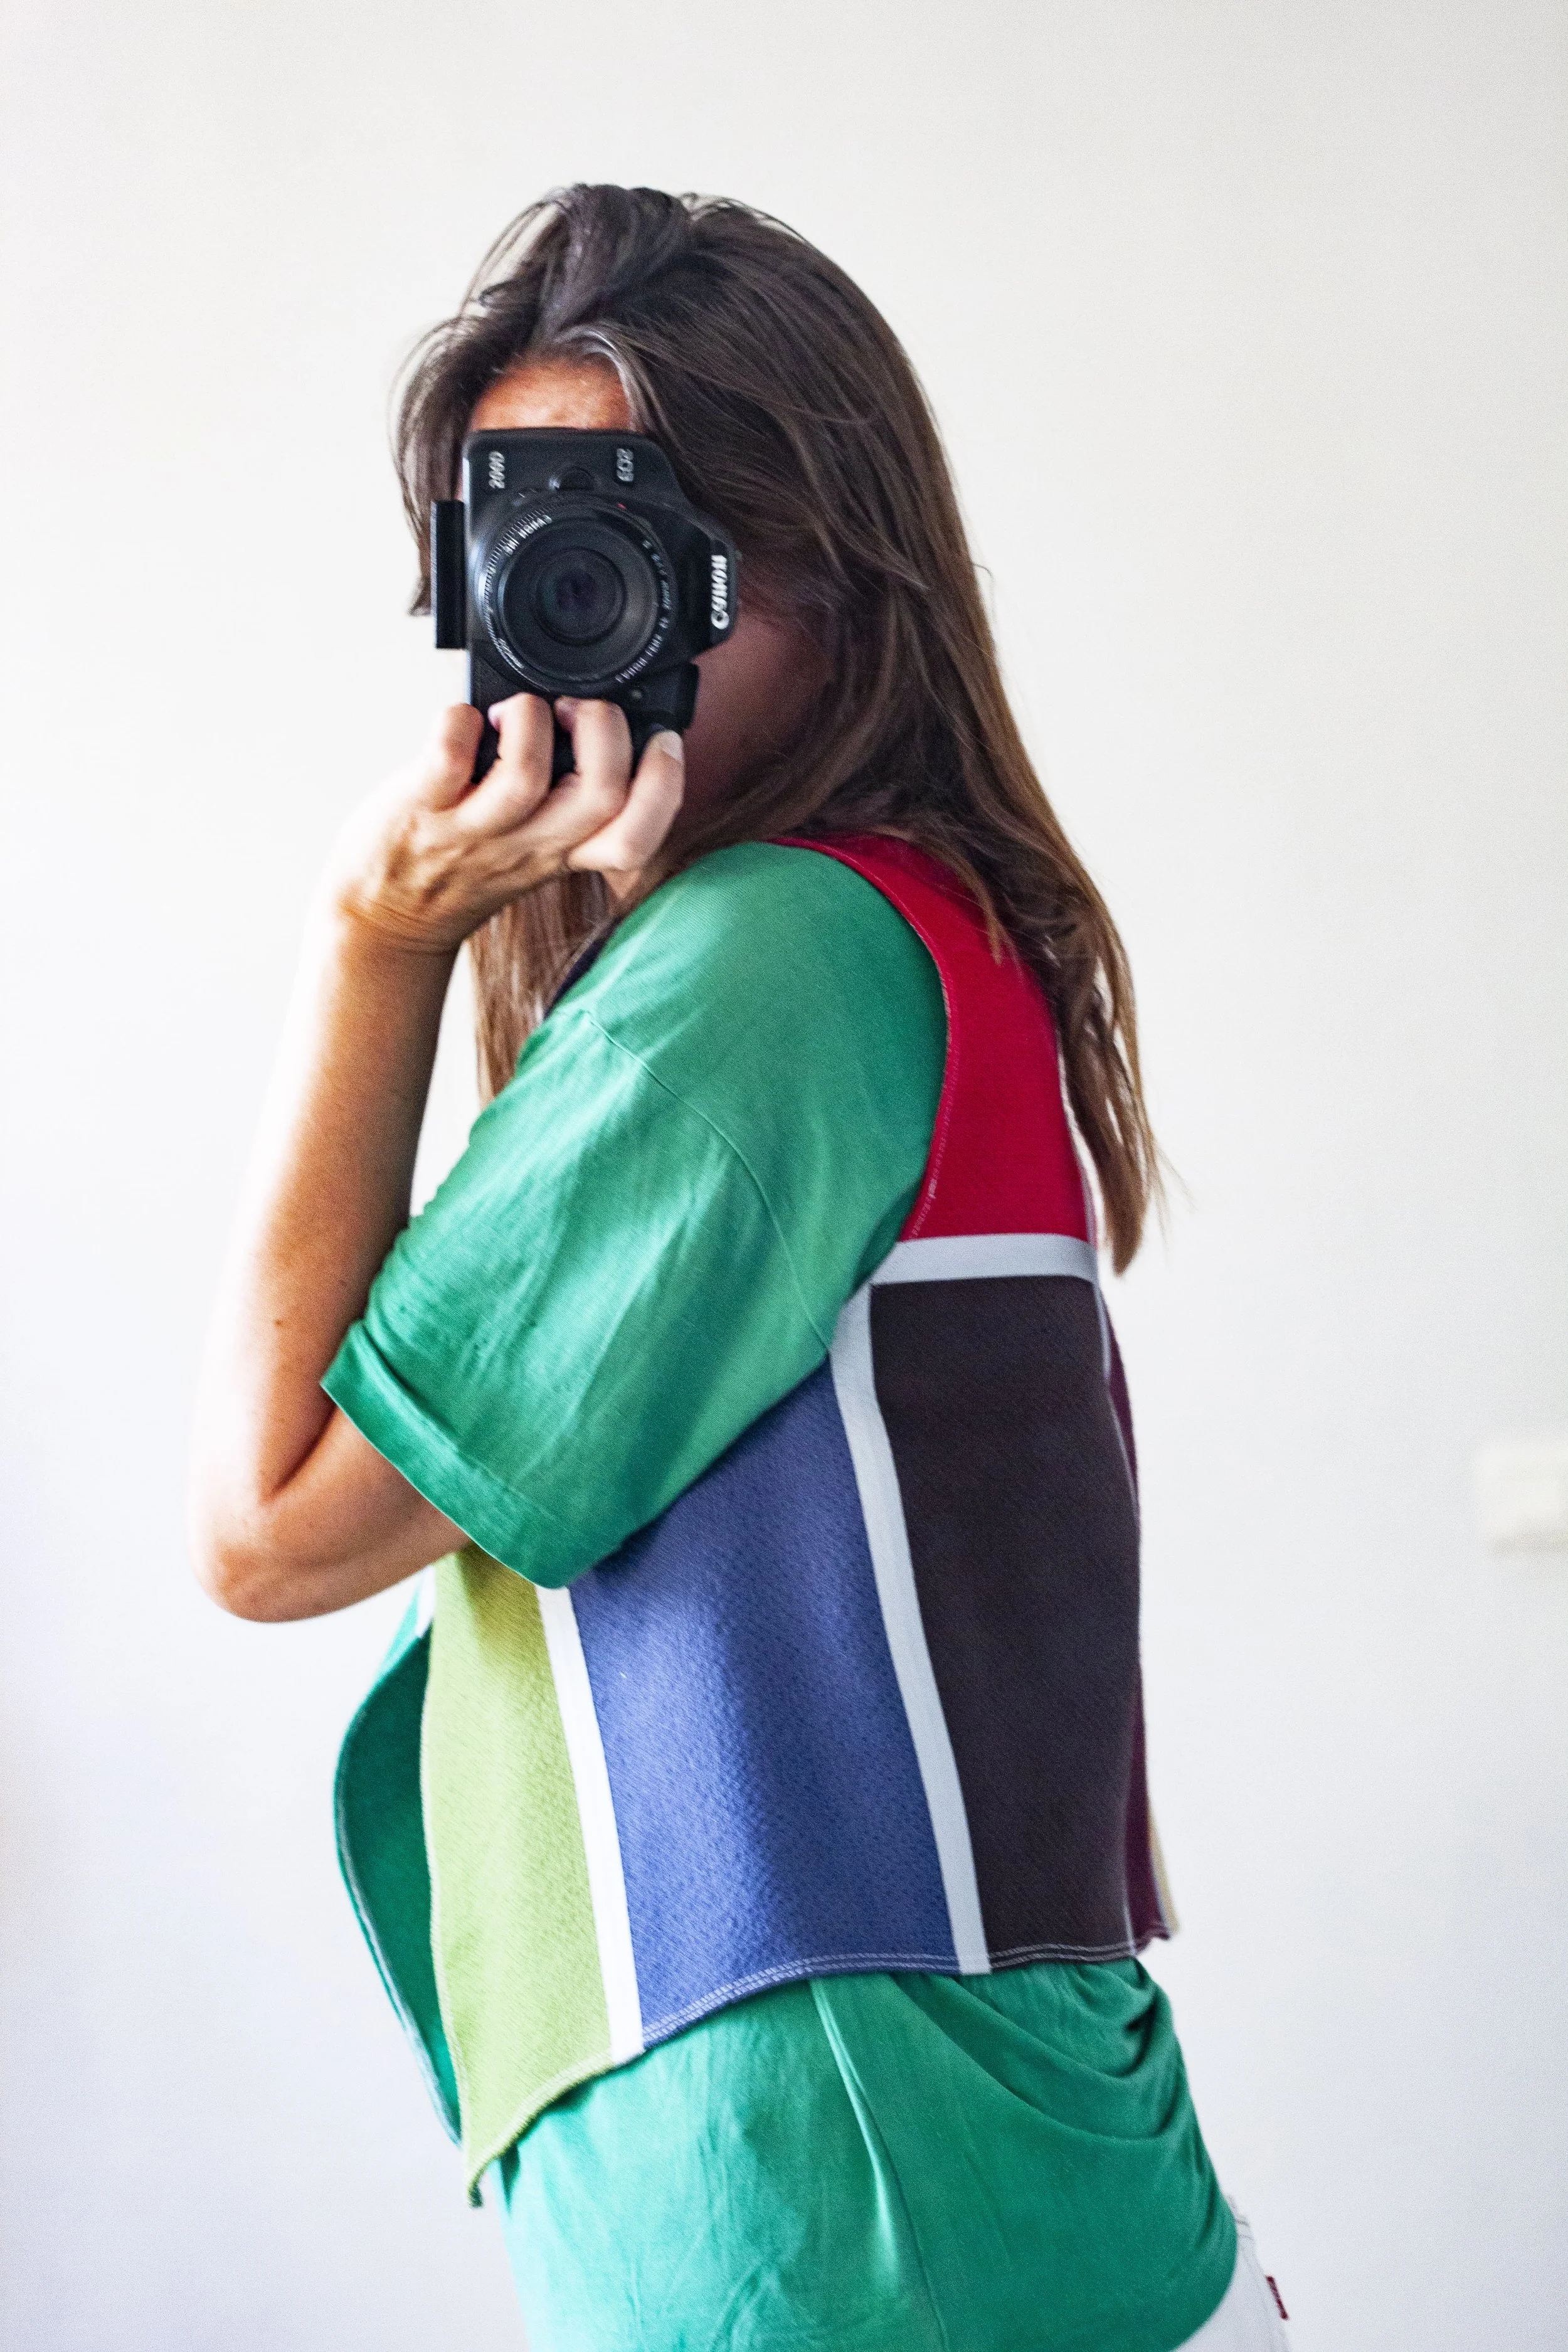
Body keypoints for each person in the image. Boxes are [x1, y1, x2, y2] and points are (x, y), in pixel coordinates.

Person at [189, 184, 1289, 2352]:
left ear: (839, 567)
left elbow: (269, 1520)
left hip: (851, 2215)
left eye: (657, 541)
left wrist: (372, 941)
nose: (599, 617)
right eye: (526, 552)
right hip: (981, 2189)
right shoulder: (923, 932)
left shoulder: (772, 961)